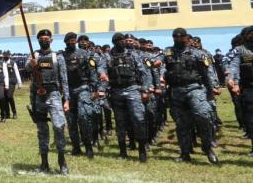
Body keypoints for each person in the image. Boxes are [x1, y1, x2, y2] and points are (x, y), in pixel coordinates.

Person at [161, 27, 219, 163]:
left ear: (187, 38)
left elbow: (207, 72)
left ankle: (208, 148)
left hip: (195, 88)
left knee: (203, 116)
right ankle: (185, 153)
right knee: (182, 124)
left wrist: (211, 90)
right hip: (176, 91)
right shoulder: (167, 52)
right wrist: (157, 68)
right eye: (175, 36)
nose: (178, 39)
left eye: (181, 36)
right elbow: (155, 62)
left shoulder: (197, 53)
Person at [27, 29, 70, 175]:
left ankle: (62, 161)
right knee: (42, 131)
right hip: (38, 97)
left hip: (54, 95)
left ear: (51, 40)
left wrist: (67, 100)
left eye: (46, 38)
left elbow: (64, 79)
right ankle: (44, 163)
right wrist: (31, 65)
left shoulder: (58, 56)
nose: (44, 40)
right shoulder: (34, 55)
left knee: (59, 126)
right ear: (38, 40)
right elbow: (27, 69)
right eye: (41, 39)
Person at [103, 32, 151, 162]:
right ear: (114, 42)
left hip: (132, 89)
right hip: (116, 91)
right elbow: (102, 70)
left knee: (138, 118)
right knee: (120, 122)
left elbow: (143, 72)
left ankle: (142, 150)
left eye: (122, 40)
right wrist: (103, 77)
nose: (121, 42)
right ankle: (123, 151)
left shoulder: (133, 54)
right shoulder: (108, 56)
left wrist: (145, 90)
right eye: (118, 40)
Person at [62, 32, 100, 158]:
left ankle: (88, 146)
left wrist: (94, 88)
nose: (72, 42)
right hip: (68, 90)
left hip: (83, 88)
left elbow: (92, 71)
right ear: (66, 42)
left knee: (84, 118)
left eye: (74, 40)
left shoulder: (84, 54)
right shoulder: (61, 56)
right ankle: (76, 148)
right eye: (70, 40)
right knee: (71, 121)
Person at [227, 25, 253, 156]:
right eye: (250, 34)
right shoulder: (239, 50)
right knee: (250, 118)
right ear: (245, 36)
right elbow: (234, 66)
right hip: (248, 87)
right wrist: (234, 82)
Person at [3, 50, 22, 119]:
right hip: (4, 82)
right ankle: (7, 113)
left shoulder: (13, 63)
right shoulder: (2, 62)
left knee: (9, 96)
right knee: (5, 98)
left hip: (11, 82)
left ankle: (14, 112)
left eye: (7, 55)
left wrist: (19, 82)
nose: (5, 56)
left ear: (9, 55)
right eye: (5, 55)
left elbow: (17, 72)